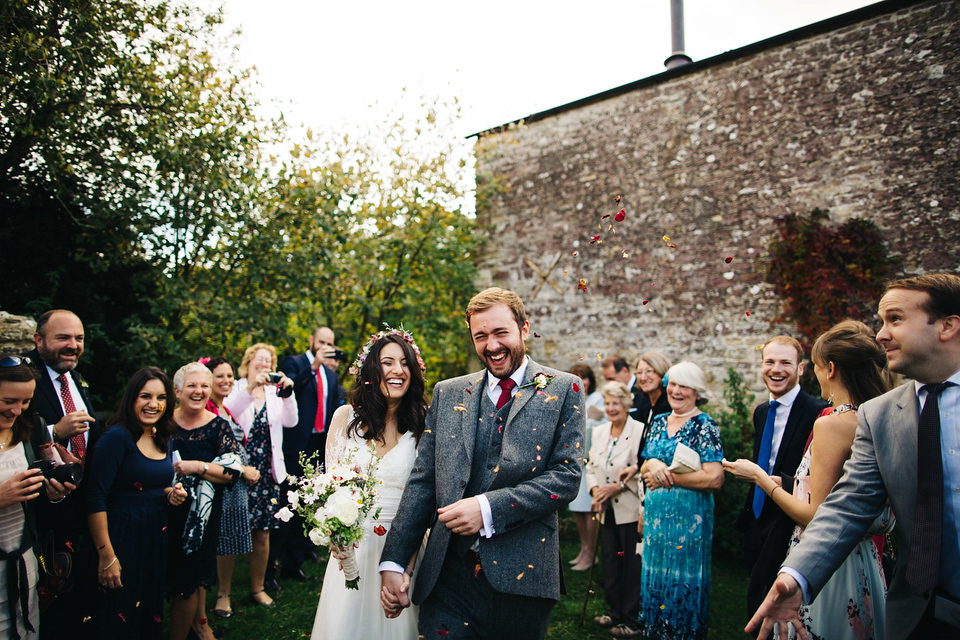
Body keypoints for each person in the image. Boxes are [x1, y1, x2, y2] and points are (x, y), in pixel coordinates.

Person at [749, 273, 960, 640]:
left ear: (947, 326)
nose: (880, 334)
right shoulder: (879, 415)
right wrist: (796, 576)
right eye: (881, 322)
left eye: (895, 319)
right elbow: (847, 505)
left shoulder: (839, 421)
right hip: (915, 613)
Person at [379, 287, 585, 640]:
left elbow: (567, 477)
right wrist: (394, 561)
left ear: (524, 328)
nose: (491, 345)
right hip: (447, 578)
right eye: (481, 336)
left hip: (524, 579)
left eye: (501, 332)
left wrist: (487, 509)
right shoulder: (449, 392)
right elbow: (423, 481)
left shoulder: (565, 388)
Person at [725, 320, 893, 639]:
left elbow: (818, 517)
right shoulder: (882, 418)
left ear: (828, 368)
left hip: (825, 564)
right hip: (867, 562)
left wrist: (762, 479)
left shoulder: (831, 424)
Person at [311, 328, 428, 639]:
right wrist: (334, 532)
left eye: (405, 363)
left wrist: (407, 565)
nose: (397, 371)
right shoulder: (344, 418)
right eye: (387, 362)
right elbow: (329, 489)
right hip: (355, 549)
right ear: (371, 370)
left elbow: (426, 500)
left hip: (405, 546)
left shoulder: (423, 424)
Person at [86, 367, 187, 640]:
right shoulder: (117, 438)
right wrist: (107, 557)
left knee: (148, 614)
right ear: (132, 398)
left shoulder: (161, 435)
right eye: (145, 396)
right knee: (118, 617)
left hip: (154, 539)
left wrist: (170, 494)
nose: (154, 404)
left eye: (161, 397)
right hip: (122, 539)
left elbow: (153, 484)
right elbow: (95, 496)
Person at [737, 336, 828, 624]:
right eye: (770, 362)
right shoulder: (762, 412)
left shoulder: (818, 412)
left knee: (785, 615)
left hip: (793, 524)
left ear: (801, 368)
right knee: (756, 604)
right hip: (758, 520)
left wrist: (778, 482)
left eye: (785, 363)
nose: (776, 369)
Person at [23, 310, 102, 639]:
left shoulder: (75, 379)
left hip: (79, 511)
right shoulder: (24, 378)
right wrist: (55, 430)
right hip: (40, 515)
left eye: (79, 338)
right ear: (39, 340)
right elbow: (11, 431)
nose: (73, 345)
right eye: (63, 338)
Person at [637, 361, 723, 640]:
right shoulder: (660, 421)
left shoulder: (704, 425)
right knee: (656, 581)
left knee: (682, 583)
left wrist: (664, 477)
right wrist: (652, 465)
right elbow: (644, 466)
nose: (675, 390)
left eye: (683, 386)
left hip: (688, 525)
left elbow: (714, 478)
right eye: (672, 383)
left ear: (696, 392)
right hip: (656, 519)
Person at [0, 356, 75, 640]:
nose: (17, 410)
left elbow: (44, 493)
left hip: (24, 560)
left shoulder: (32, 429)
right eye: (8, 401)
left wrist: (55, 492)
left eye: (26, 401)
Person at [167, 363, 243, 640]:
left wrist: (198, 467)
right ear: (177, 391)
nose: (198, 391)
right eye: (192, 386)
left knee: (192, 579)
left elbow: (232, 472)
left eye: (203, 386)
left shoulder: (218, 426)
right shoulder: (163, 423)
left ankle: (190, 629)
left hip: (202, 519)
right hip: (163, 511)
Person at [223, 344, 297, 607]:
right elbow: (229, 409)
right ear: (249, 362)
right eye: (260, 360)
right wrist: (252, 386)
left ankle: (257, 588)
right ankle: (224, 594)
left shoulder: (275, 393)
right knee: (232, 532)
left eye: (269, 361)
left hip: (267, 471)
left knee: (263, 533)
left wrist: (287, 394)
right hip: (238, 469)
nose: (264, 364)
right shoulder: (237, 386)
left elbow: (291, 421)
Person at [275, 327, 341, 584]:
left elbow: (335, 404)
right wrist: (313, 365)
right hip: (296, 444)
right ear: (312, 341)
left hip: (319, 443)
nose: (326, 346)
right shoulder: (295, 362)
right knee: (289, 502)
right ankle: (281, 558)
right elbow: (289, 390)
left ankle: (300, 555)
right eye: (322, 342)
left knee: (311, 502)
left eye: (330, 343)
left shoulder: (330, 374)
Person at [202, 357, 258, 619]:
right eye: (220, 376)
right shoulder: (206, 409)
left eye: (229, 376)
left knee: (230, 538)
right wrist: (243, 469)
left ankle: (224, 592)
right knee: (219, 538)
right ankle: (214, 595)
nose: (226, 381)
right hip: (220, 483)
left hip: (236, 486)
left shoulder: (224, 408)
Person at [587, 381, 644, 638]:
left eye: (615, 403)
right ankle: (613, 611)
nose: (611, 408)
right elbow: (590, 465)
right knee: (610, 560)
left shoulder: (639, 430)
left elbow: (641, 469)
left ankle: (631, 618)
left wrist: (618, 486)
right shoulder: (599, 432)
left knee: (630, 564)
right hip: (605, 508)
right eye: (607, 403)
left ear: (626, 405)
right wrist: (595, 491)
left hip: (629, 508)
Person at [567, 364, 603, 572]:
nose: (581, 380)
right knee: (577, 509)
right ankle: (583, 550)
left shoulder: (598, 399)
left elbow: (599, 425)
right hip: (576, 460)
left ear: (591, 380)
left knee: (589, 509)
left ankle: (591, 554)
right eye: (576, 376)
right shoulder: (571, 399)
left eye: (584, 377)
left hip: (591, 459)